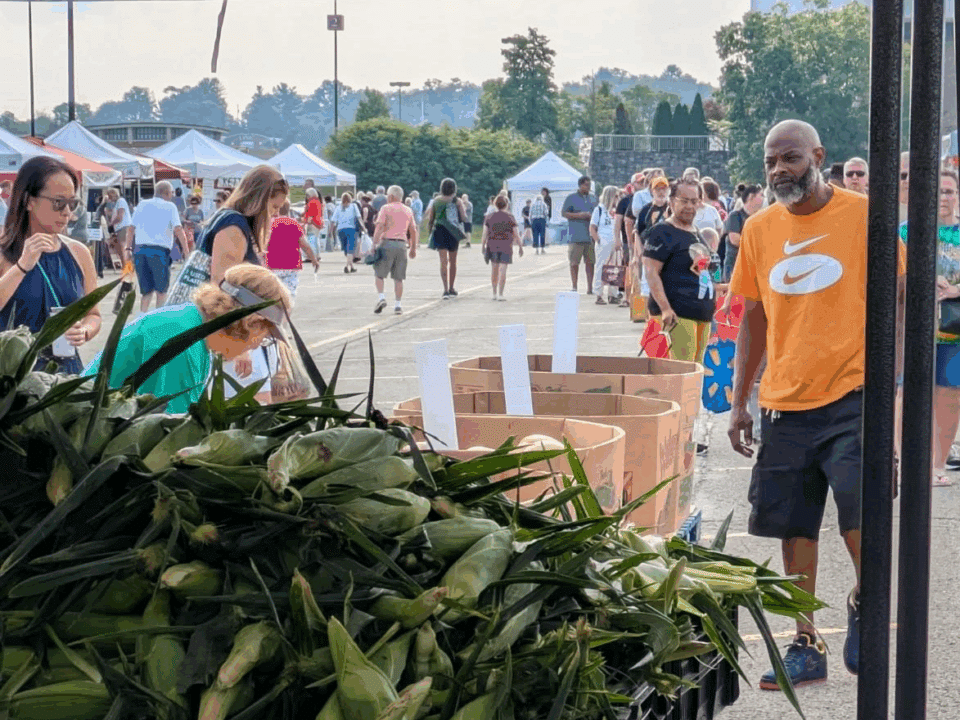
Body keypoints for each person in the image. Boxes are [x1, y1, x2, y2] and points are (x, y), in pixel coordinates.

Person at [727, 119, 907, 690]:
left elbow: (900, 294)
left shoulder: (862, 216)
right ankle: (805, 643)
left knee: (861, 519)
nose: (780, 170)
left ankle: (862, 598)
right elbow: (751, 320)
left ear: (817, 156)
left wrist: (893, 383)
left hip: (854, 396)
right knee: (794, 528)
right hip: (784, 403)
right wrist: (739, 403)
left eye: (790, 158)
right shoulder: (757, 229)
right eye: (771, 162)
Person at [85, 263, 293, 413]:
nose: (257, 346)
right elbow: (169, 433)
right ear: (251, 323)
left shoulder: (191, 323)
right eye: (264, 338)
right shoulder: (183, 346)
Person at [0, 156, 101, 375]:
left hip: (63, 379)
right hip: (12, 383)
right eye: (58, 202)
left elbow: (93, 314)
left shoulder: (78, 253)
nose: (67, 212)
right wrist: (22, 266)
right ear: (28, 201)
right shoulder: (4, 250)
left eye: (72, 203)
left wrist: (84, 331)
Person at [899, 169, 960, 487]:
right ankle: (902, 462)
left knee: (950, 394)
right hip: (913, 327)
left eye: (950, 191)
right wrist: (922, 281)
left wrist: (954, 289)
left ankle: (937, 464)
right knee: (904, 392)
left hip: (954, 328)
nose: (945, 198)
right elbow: (891, 274)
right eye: (939, 191)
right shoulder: (908, 232)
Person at [642, 179, 716, 364]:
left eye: (694, 201)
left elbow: (701, 272)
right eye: (684, 201)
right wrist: (665, 308)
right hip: (677, 314)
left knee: (696, 371)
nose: (689, 206)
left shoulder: (695, 232)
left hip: (702, 314)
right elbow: (651, 272)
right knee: (683, 371)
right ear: (672, 201)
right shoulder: (662, 231)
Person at [129, 180, 189, 313]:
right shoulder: (170, 206)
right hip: (159, 251)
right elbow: (178, 229)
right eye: (171, 193)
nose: (172, 195)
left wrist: (128, 248)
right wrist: (186, 251)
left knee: (146, 292)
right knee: (161, 291)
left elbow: (131, 228)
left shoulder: (142, 204)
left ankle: (142, 318)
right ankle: (158, 319)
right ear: (166, 193)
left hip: (140, 250)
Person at [372, 185, 418, 315]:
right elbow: (413, 230)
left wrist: (374, 244)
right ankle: (398, 305)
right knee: (399, 278)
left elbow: (380, 227)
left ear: (391, 196)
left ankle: (381, 297)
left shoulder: (385, 208)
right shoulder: (408, 210)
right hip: (402, 245)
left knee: (379, 274)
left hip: (387, 243)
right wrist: (413, 247)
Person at [267, 201, 319, 300]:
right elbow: (305, 245)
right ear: (289, 210)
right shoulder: (294, 224)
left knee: (274, 292)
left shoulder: (270, 223)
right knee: (290, 292)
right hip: (291, 264)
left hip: (273, 263)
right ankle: (287, 308)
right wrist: (314, 259)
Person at [425, 178, 467, 299]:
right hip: (453, 232)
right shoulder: (457, 201)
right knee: (453, 261)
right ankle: (452, 287)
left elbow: (431, 218)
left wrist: (429, 232)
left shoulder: (436, 201)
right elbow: (464, 218)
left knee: (443, 261)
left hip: (439, 231)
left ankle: (445, 290)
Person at [482, 194, 523, 301]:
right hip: (506, 246)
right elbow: (516, 233)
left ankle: (494, 293)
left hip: (492, 245)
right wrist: (520, 246)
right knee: (503, 270)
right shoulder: (510, 217)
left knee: (494, 269)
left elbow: (484, 233)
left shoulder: (489, 217)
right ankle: (501, 294)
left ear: (495, 204)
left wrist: (483, 245)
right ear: (506, 205)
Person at [721, 183, 764, 285]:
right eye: (761, 195)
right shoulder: (735, 216)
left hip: (755, 269)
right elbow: (734, 239)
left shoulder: (761, 217)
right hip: (735, 268)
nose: (763, 198)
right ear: (751, 197)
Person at [562, 176, 597, 294]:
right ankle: (574, 286)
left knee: (590, 263)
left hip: (590, 236)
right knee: (574, 263)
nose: (588, 188)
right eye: (586, 185)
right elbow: (564, 213)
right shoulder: (571, 198)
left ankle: (590, 288)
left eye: (589, 185)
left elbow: (598, 214)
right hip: (575, 236)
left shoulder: (593, 198)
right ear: (580, 185)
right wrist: (579, 215)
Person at [590, 185, 621, 305]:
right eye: (616, 196)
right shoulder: (599, 209)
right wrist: (598, 240)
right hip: (603, 242)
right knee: (601, 268)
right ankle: (598, 294)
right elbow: (592, 227)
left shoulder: (616, 211)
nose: (617, 199)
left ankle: (613, 294)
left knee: (615, 269)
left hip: (615, 242)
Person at [328, 193, 362, 274]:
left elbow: (333, 221)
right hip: (352, 229)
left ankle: (351, 267)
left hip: (341, 230)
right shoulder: (354, 206)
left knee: (346, 250)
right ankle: (347, 266)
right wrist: (364, 227)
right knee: (350, 249)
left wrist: (330, 231)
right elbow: (359, 217)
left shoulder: (338, 208)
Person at [302, 187, 325, 257]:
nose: (307, 197)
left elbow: (310, 214)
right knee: (315, 240)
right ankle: (317, 255)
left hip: (312, 223)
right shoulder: (318, 201)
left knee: (311, 240)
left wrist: (305, 223)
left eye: (307, 195)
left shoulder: (311, 202)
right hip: (318, 223)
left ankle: (311, 256)